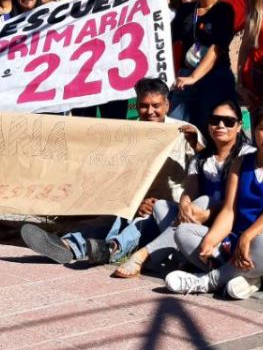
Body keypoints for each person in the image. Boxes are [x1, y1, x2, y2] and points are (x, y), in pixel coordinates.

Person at [20, 78, 199, 266]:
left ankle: (113, 249)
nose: (150, 112)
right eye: (144, 106)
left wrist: (197, 146)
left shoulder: (185, 132)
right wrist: (136, 203)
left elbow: (205, 169)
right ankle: (67, 244)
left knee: (141, 224)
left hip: (167, 211)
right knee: (111, 221)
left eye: (156, 105)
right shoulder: (127, 134)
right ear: (136, 106)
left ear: (167, 105)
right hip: (134, 205)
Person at [166, 101, 263, 300]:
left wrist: (247, 237)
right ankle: (249, 278)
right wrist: (211, 241)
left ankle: (206, 281)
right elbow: (229, 211)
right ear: (253, 131)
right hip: (241, 247)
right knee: (185, 232)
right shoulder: (241, 162)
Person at [113, 99, 255, 279]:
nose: (220, 125)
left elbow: (241, 201)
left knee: (205, 201)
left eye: (228, 122)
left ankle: (145, 255)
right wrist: (185, 204)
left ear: (239, 125)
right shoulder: (202, 158)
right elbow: (190, 191)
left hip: (228, 223)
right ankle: (182, 257)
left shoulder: (247, 155)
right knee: (161, 206)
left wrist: (208, 213)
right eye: (215, 120)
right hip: (198, 220)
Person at [173, 0, 238, 135]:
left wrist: (194, 77)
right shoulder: (187, 10)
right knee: (176, 131)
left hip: (215, 79)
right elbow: (168, 38)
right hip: (185, 79)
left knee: (213, 133)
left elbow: (217, 48)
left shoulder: (224, 10)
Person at [71, 0, 128, 120]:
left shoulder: (118, 3)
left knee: (115, 128)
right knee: (83, 129)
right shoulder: (69, 11)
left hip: (112, 77)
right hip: (82, 79)